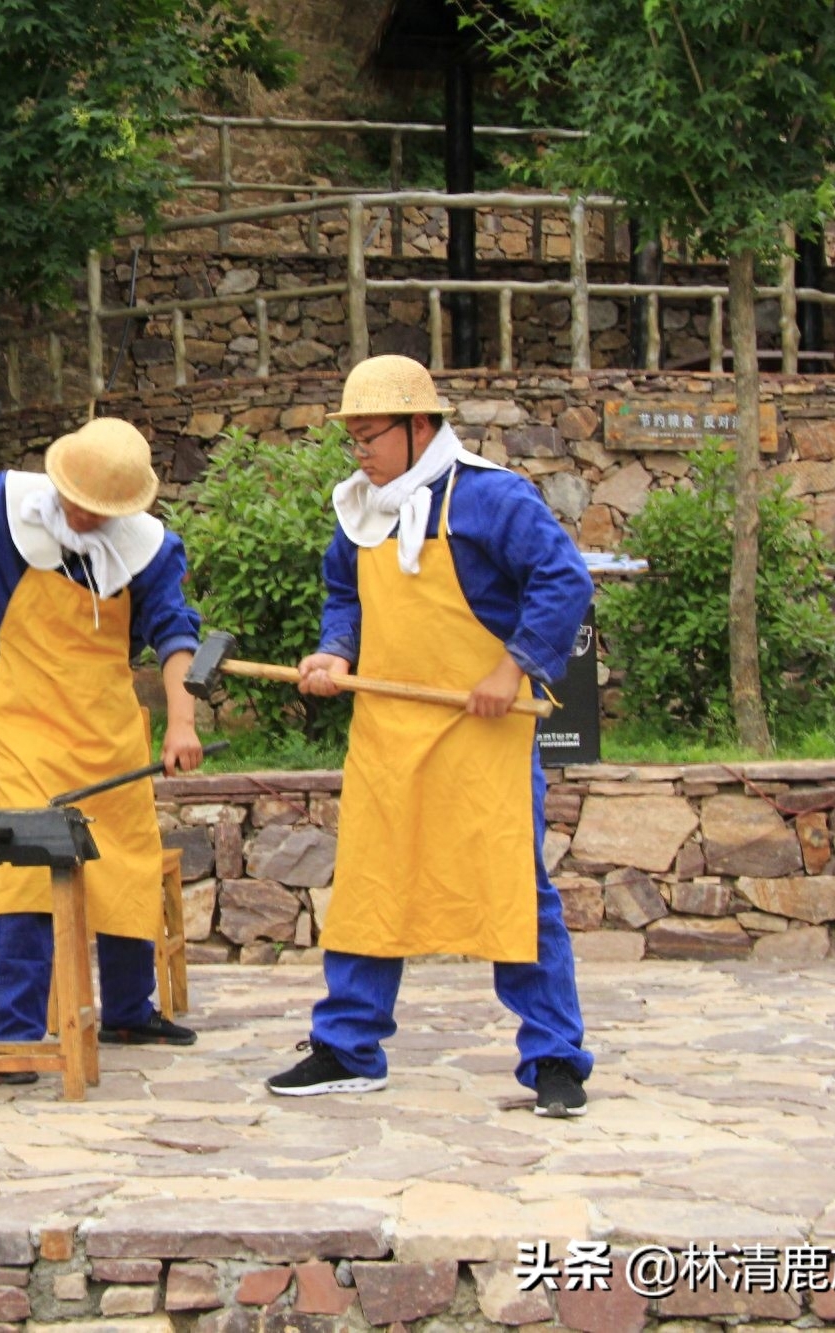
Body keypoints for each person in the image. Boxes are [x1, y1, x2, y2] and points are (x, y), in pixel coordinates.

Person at [265, 354, 595, 1117]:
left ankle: (554, 1056)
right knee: (370, 885)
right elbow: (345, 592)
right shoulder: (360, 509)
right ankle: (348, 1047)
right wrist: (334, 652)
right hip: (387, 727)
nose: (361, 451)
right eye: (352, 438)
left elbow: (564, 578)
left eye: (370, 435)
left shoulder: (492, 498)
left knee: (514, 891)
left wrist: (513, 666)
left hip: (483, 734)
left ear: (421, 427)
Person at [0, 416, 207, 1084]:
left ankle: (128, 1007)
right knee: (30, 857)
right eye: (77, 499)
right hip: (27, 715)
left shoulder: (152, 547)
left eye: (101, 509)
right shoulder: (2, 506)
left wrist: (181, 720)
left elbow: (176, 635)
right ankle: (17, 1028)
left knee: (124, 855)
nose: (84, 514)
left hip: (108, 717)